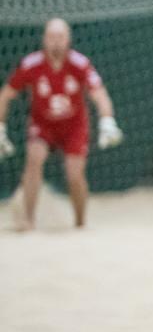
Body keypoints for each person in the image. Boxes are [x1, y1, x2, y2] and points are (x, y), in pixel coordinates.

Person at [0, 18, 124, 229]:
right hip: (43, 124)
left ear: (68, 39)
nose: (56, 41)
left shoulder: (79, 64)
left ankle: (80, 221)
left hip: (74, 126)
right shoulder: (31, 64)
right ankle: (28, 220)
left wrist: (107, 120)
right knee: (34, 158)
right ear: (44, 39)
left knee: (74, 174)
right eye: (51, 36)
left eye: (60, 37)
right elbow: (6, 95)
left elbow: (99, 94)